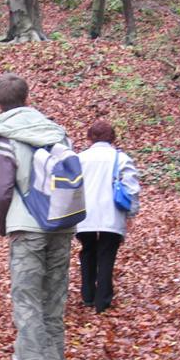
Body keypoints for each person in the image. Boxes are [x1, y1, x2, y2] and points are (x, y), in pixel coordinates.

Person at [0, 73, 76, 360]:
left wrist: (2, 224)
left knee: (28, 315)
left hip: (28, 232)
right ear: (27, 96)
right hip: (62, 226)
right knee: (53, 313)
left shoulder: (3, 137)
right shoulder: (56, 132)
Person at [76, 120, 140, 313]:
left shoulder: (79, 158)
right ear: (112, 138)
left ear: (89, 138)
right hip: (111, 214)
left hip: (84, 215)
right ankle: (102, 300)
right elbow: (131, 188)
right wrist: (131, 213)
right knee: (106, 254)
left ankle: (87, 295)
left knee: (87, 251)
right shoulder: (121, 159)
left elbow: (71, 187)